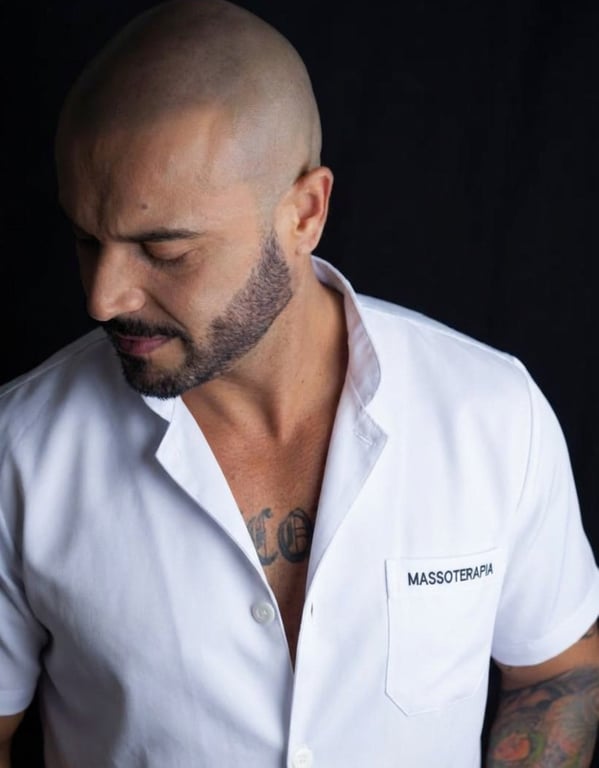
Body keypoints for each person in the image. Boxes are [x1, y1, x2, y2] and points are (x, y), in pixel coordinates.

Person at [1, 0, 598, 765]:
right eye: (87, 239)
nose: (103, 297)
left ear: (304, 212)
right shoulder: (19, 453)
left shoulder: (491, 413)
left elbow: (557, 670)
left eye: (165, 250)